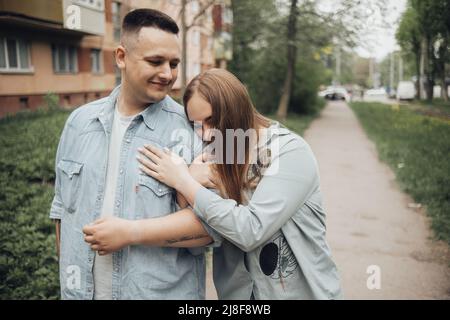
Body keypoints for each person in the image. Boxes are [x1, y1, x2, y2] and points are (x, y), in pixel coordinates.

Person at [83, 68, 343, 299]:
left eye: (211, 121)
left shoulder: (289, 152)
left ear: (237, 110)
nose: (206, 134)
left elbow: (250, 230)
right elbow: (201, 237)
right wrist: (188, 183)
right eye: (197, 125)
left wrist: (184, 181)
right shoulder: (217, 155)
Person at [49, 8, 219, 300]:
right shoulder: (78, 122)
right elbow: (62, 211)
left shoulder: (194, 131)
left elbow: (211, 228)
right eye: (156, 61)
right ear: (121, 57)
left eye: (174, 63)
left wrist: (130, 232)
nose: (168, 74)